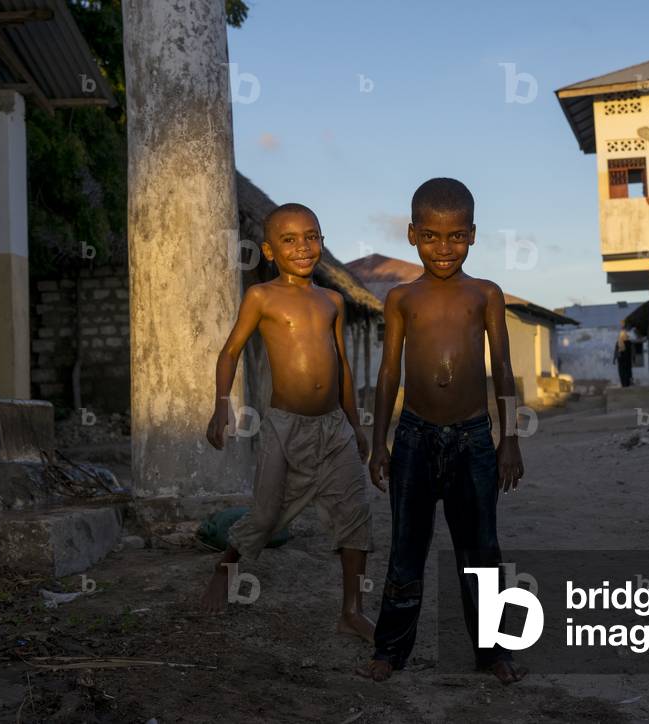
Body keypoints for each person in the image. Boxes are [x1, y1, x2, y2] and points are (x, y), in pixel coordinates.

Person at [358, 178, 527, 685]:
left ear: (473, 235)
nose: (444, 247)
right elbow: (390, 373)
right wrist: (379, 442)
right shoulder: (401, 298)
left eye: (455, 236)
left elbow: (502, 367)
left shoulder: (486, 294)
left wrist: (509, 438)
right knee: (406, 547)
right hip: (413, 436)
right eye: (431, 235)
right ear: (411, 234)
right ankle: (390, 649)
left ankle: (493, 652)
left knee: (482, 551)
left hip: (473, 437)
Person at [199, 203, 375, 644]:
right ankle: (226, 567)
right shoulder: (262, 297)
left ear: (322, 239)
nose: (303, 247)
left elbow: (344, 368)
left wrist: (355, 424)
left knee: (355, 514)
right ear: (270, 250)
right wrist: (222, 404)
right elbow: (230, 351)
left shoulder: (332, 300)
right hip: (285, 426)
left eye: (311, 236)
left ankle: (351, 611)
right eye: (290, 240)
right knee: (265, 515)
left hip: (333, 426)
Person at [612, 321, 633, 387]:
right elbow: (632, 351)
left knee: (623, 372)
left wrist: (614, 359)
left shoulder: (621, 342)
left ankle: (625, 384)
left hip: (622, 359)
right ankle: (626, 384)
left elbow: (616, 350)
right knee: (627, 371)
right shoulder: (628, 342)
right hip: (626, 360)